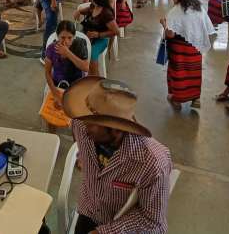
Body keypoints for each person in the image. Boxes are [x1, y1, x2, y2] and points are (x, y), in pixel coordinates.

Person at [62, 77, 171, 233]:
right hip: (89, 211)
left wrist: (104, 232)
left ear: (116, 128)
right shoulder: (80, 125)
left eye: (92, 122)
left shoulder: (153, 162)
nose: (84, 125)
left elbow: (151, 219)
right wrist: (83, 157)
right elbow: (79, 137)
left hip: (128, 228)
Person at [160, 0, 215, 110]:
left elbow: (170, 34)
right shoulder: (199, 7)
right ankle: (196, 98)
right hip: (196, 47)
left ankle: (177, 99)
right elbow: (207, 28)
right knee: (194, 72)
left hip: (179, 49)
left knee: (178, 73)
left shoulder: (175, 11)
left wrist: (164, 23)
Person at [75, 0, 119, 76]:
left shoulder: (106, 13)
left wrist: (98, 34)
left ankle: (95, 78)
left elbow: (116, 32)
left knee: (91, 55)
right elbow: (87, 10)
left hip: (101, 40)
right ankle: (84, 74)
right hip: (88, 36)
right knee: (74, 48)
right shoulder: (93, 6)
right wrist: (78, 11)